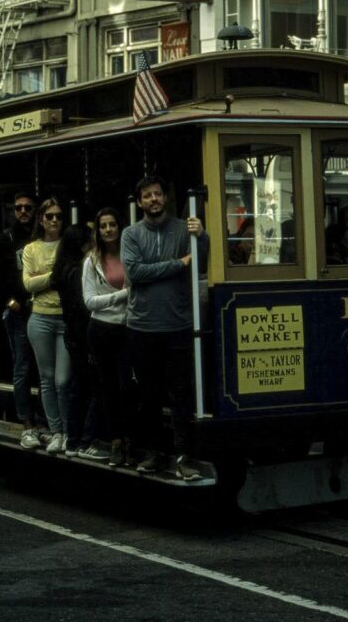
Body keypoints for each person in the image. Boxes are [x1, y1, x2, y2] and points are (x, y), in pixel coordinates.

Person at [120, 175, 209, 481]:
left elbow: (200, 263)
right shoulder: (131, 234)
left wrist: (202, 237)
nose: (154, 199)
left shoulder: (185, 229)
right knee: (149, 395)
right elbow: (136, 272)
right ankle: (154, 453)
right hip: (142, 326)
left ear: (165, 197)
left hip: (177, 324)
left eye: (157, 194)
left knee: (181, 394)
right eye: (147, 196)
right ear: (140, 202)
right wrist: (178, 263)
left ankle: (184, 457)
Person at [83, 207, 135, 467]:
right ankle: (116, 443)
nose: (108, 230)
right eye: (103, 226)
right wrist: (123, 295)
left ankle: (132, 441)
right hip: (101, 330)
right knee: (109, 388)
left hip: (128, 328)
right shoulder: (91, 261)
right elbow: (90, 301)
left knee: (128, 387)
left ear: (120, 227)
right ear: (98, 231)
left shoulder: (131, 254)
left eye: (112, 224)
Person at [54, 224, 108, 459]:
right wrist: (89, 344)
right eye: (89, 242)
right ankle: (86, 440)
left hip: (73, 335)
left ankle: (73, 440)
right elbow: (82, 309)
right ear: (82, 245)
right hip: (82, 335)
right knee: (96, 387)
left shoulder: (63, 268)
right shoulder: (78, 271)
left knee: (79, 388)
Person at [21, 198, 69, 454]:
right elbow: (28, 284)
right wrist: (55, 276)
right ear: (40, 220)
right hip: (40, 318)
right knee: (47, 379)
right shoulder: (31, 249)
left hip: (65, 318)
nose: (54, 220)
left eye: (58, 216)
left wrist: (43, 279)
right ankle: (56, 432)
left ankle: (68, 431)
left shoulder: (67, 245)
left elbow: (72, 279)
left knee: (63, 380)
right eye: (49, 216)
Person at [0, 191, 38, 430]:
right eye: (18, 208)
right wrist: (9, 302)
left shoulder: (40, 237)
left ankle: (49, 422)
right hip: (18, 314)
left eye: (28, 207)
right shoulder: (4, 239)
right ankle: (27, 422)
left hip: (42, 309)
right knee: (22, 366)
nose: (23, 211)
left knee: (46, 370)